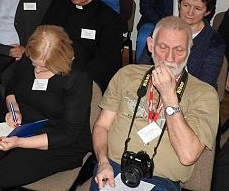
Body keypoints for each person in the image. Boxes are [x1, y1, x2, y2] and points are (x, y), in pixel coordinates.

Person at [91, 17, 219, 191]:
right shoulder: (126, 75)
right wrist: (103, 161)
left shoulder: (205, 94)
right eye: (163, 48)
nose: (170, 58)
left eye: (179, 50)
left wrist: (170, 97)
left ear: (190, 50)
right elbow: (101, 127)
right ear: (150, 46)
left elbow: (188, 156)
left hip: (161, 182)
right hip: (113, 170)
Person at [0, 25, 92, 190]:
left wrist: (19, 142)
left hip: (58, 142)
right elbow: (11, 89)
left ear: (59, 61)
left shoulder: (77, 80)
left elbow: (69, 134)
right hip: (23, 126)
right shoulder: (30, 59)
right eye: (34, 64)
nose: (37, 71)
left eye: (44, 67)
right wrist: (14, 109)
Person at [42, 0, 122, 91]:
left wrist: (75, 77)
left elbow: (106, 60)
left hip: (84, 75)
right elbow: (42, 35)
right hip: (51, 66)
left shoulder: (109, 18)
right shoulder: (57, 5)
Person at [137, 0, 224, 89]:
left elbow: (206, 84)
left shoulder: (214, 42)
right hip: (155, 86)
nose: (190, 13)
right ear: (179, 4)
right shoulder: (164, 28)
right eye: (186, 5)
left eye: (197, 8)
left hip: (193, 94)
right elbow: (143, 67)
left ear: (207, 12)